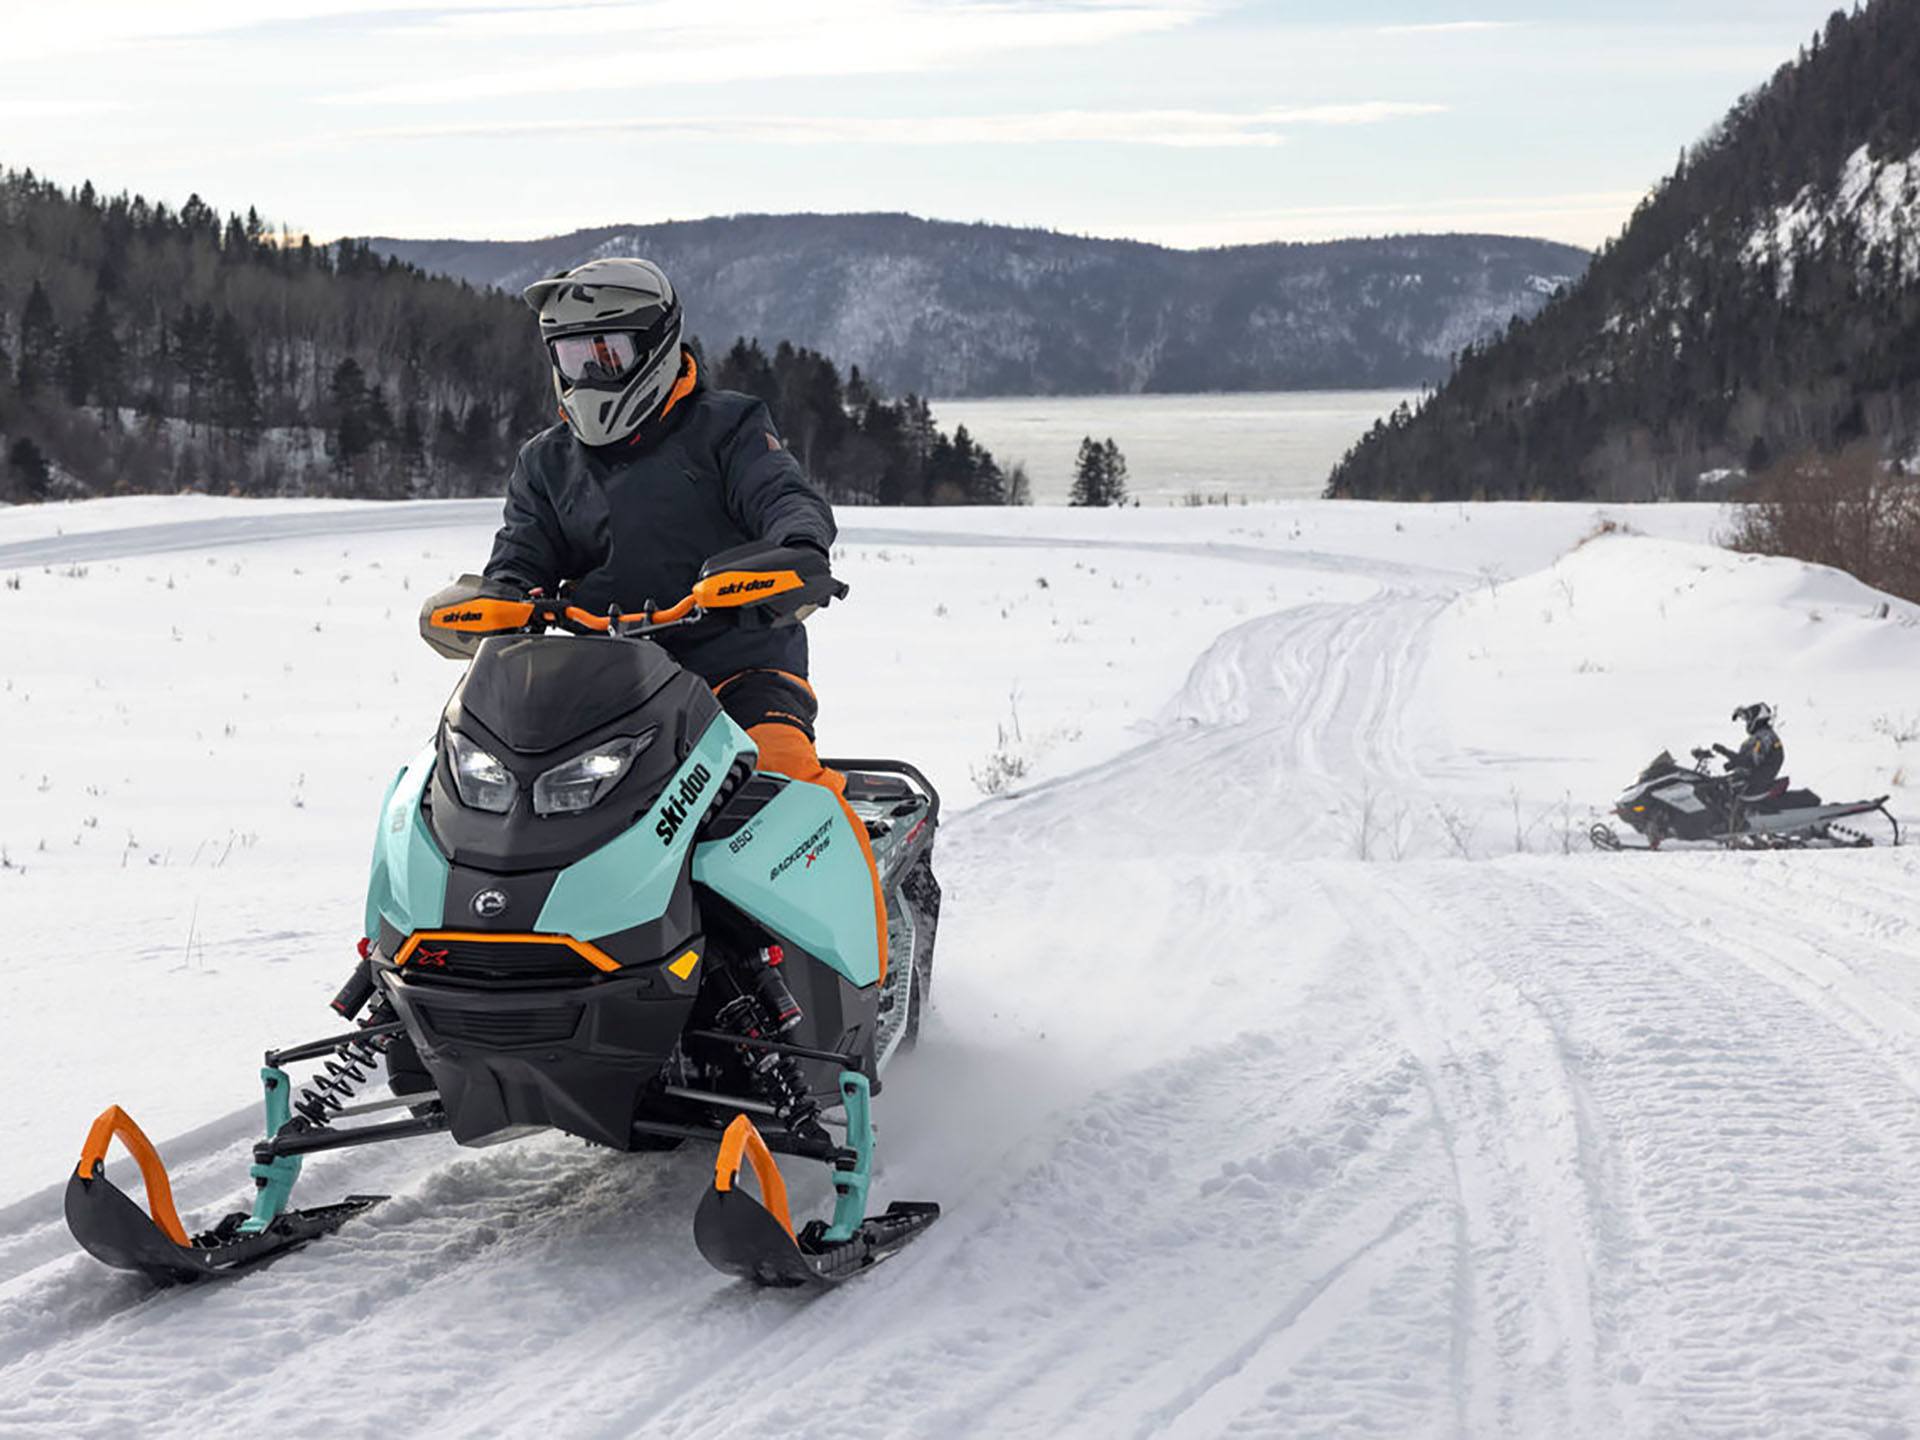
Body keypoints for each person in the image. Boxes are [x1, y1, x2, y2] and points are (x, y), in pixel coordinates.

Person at [481, 256, 886, 971]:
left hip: (739, 667)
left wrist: (793, 550)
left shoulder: (728, 427)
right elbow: (520, 556)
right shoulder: (546, 463)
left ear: (659, 346)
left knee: (787, 786)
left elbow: (784, 493)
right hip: (603, 685)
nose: (590, 372)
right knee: (502, 803)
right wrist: (499, 599)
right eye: (574, 355)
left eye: (608, 353)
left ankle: (859, 976)